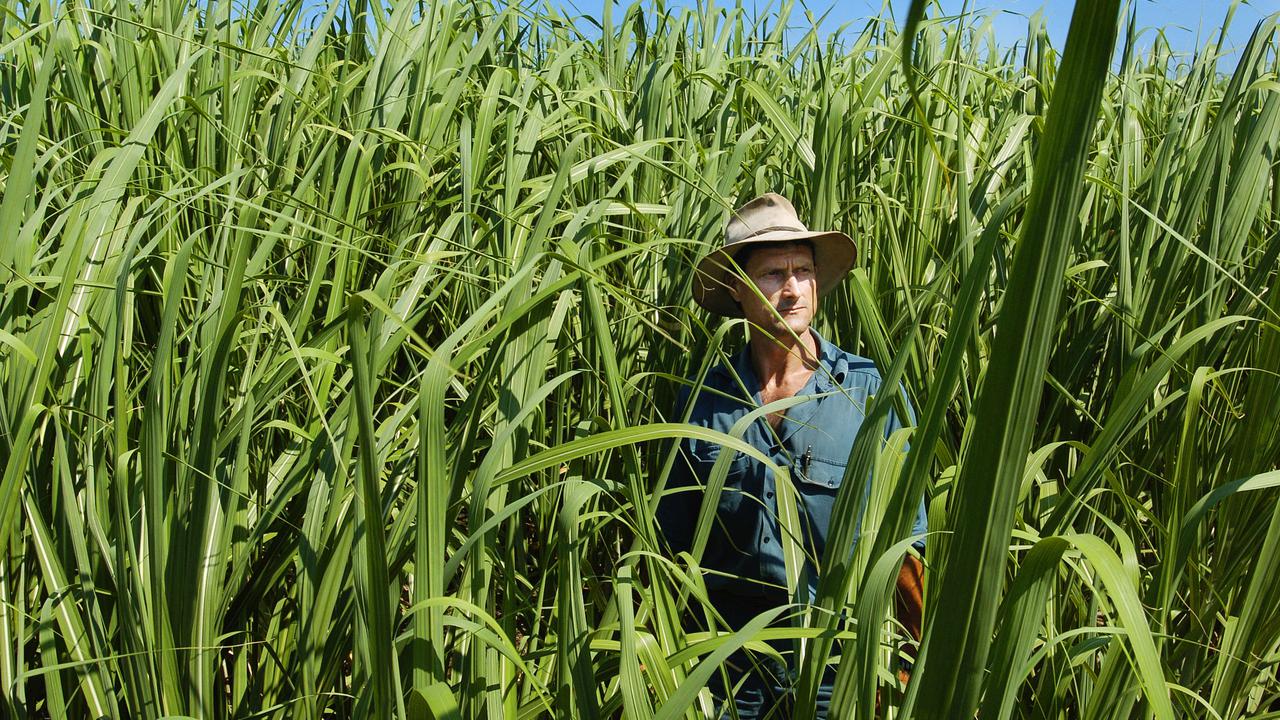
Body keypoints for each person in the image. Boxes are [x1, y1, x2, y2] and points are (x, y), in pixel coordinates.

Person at [657, 192, 927, 719]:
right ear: (737, 288)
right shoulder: (704, 403)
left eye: (803, 271)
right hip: (732, 677)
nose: (793, 289)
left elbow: (906, 549)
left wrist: (912, 666)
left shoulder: (869, 394)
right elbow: (674, 553)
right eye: (773, 273)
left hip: (840, 672)